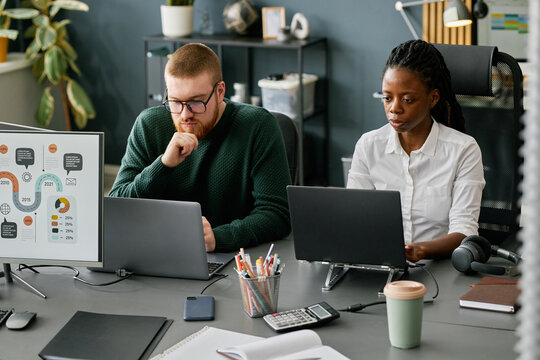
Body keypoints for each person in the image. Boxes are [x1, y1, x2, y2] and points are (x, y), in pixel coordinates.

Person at [109, 43, 291, 252]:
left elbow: (277, 215)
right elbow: (117, 207)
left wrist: (218, 238)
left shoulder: (258, 126)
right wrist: (163, 165)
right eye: (175, 102)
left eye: (196, 102)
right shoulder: (149, 124)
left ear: (220, 91)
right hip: (159, 253)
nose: (185, 114)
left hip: (233, 260)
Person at [347, 40, 485, 262]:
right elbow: (354, 218)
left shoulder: (464, 150)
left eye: (407, 99)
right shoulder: (368, 145)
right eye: (387, 98)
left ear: (433, 98)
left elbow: (465, 232)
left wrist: (420, 250)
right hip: (380, 263)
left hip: (440, 269)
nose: (394, 109)